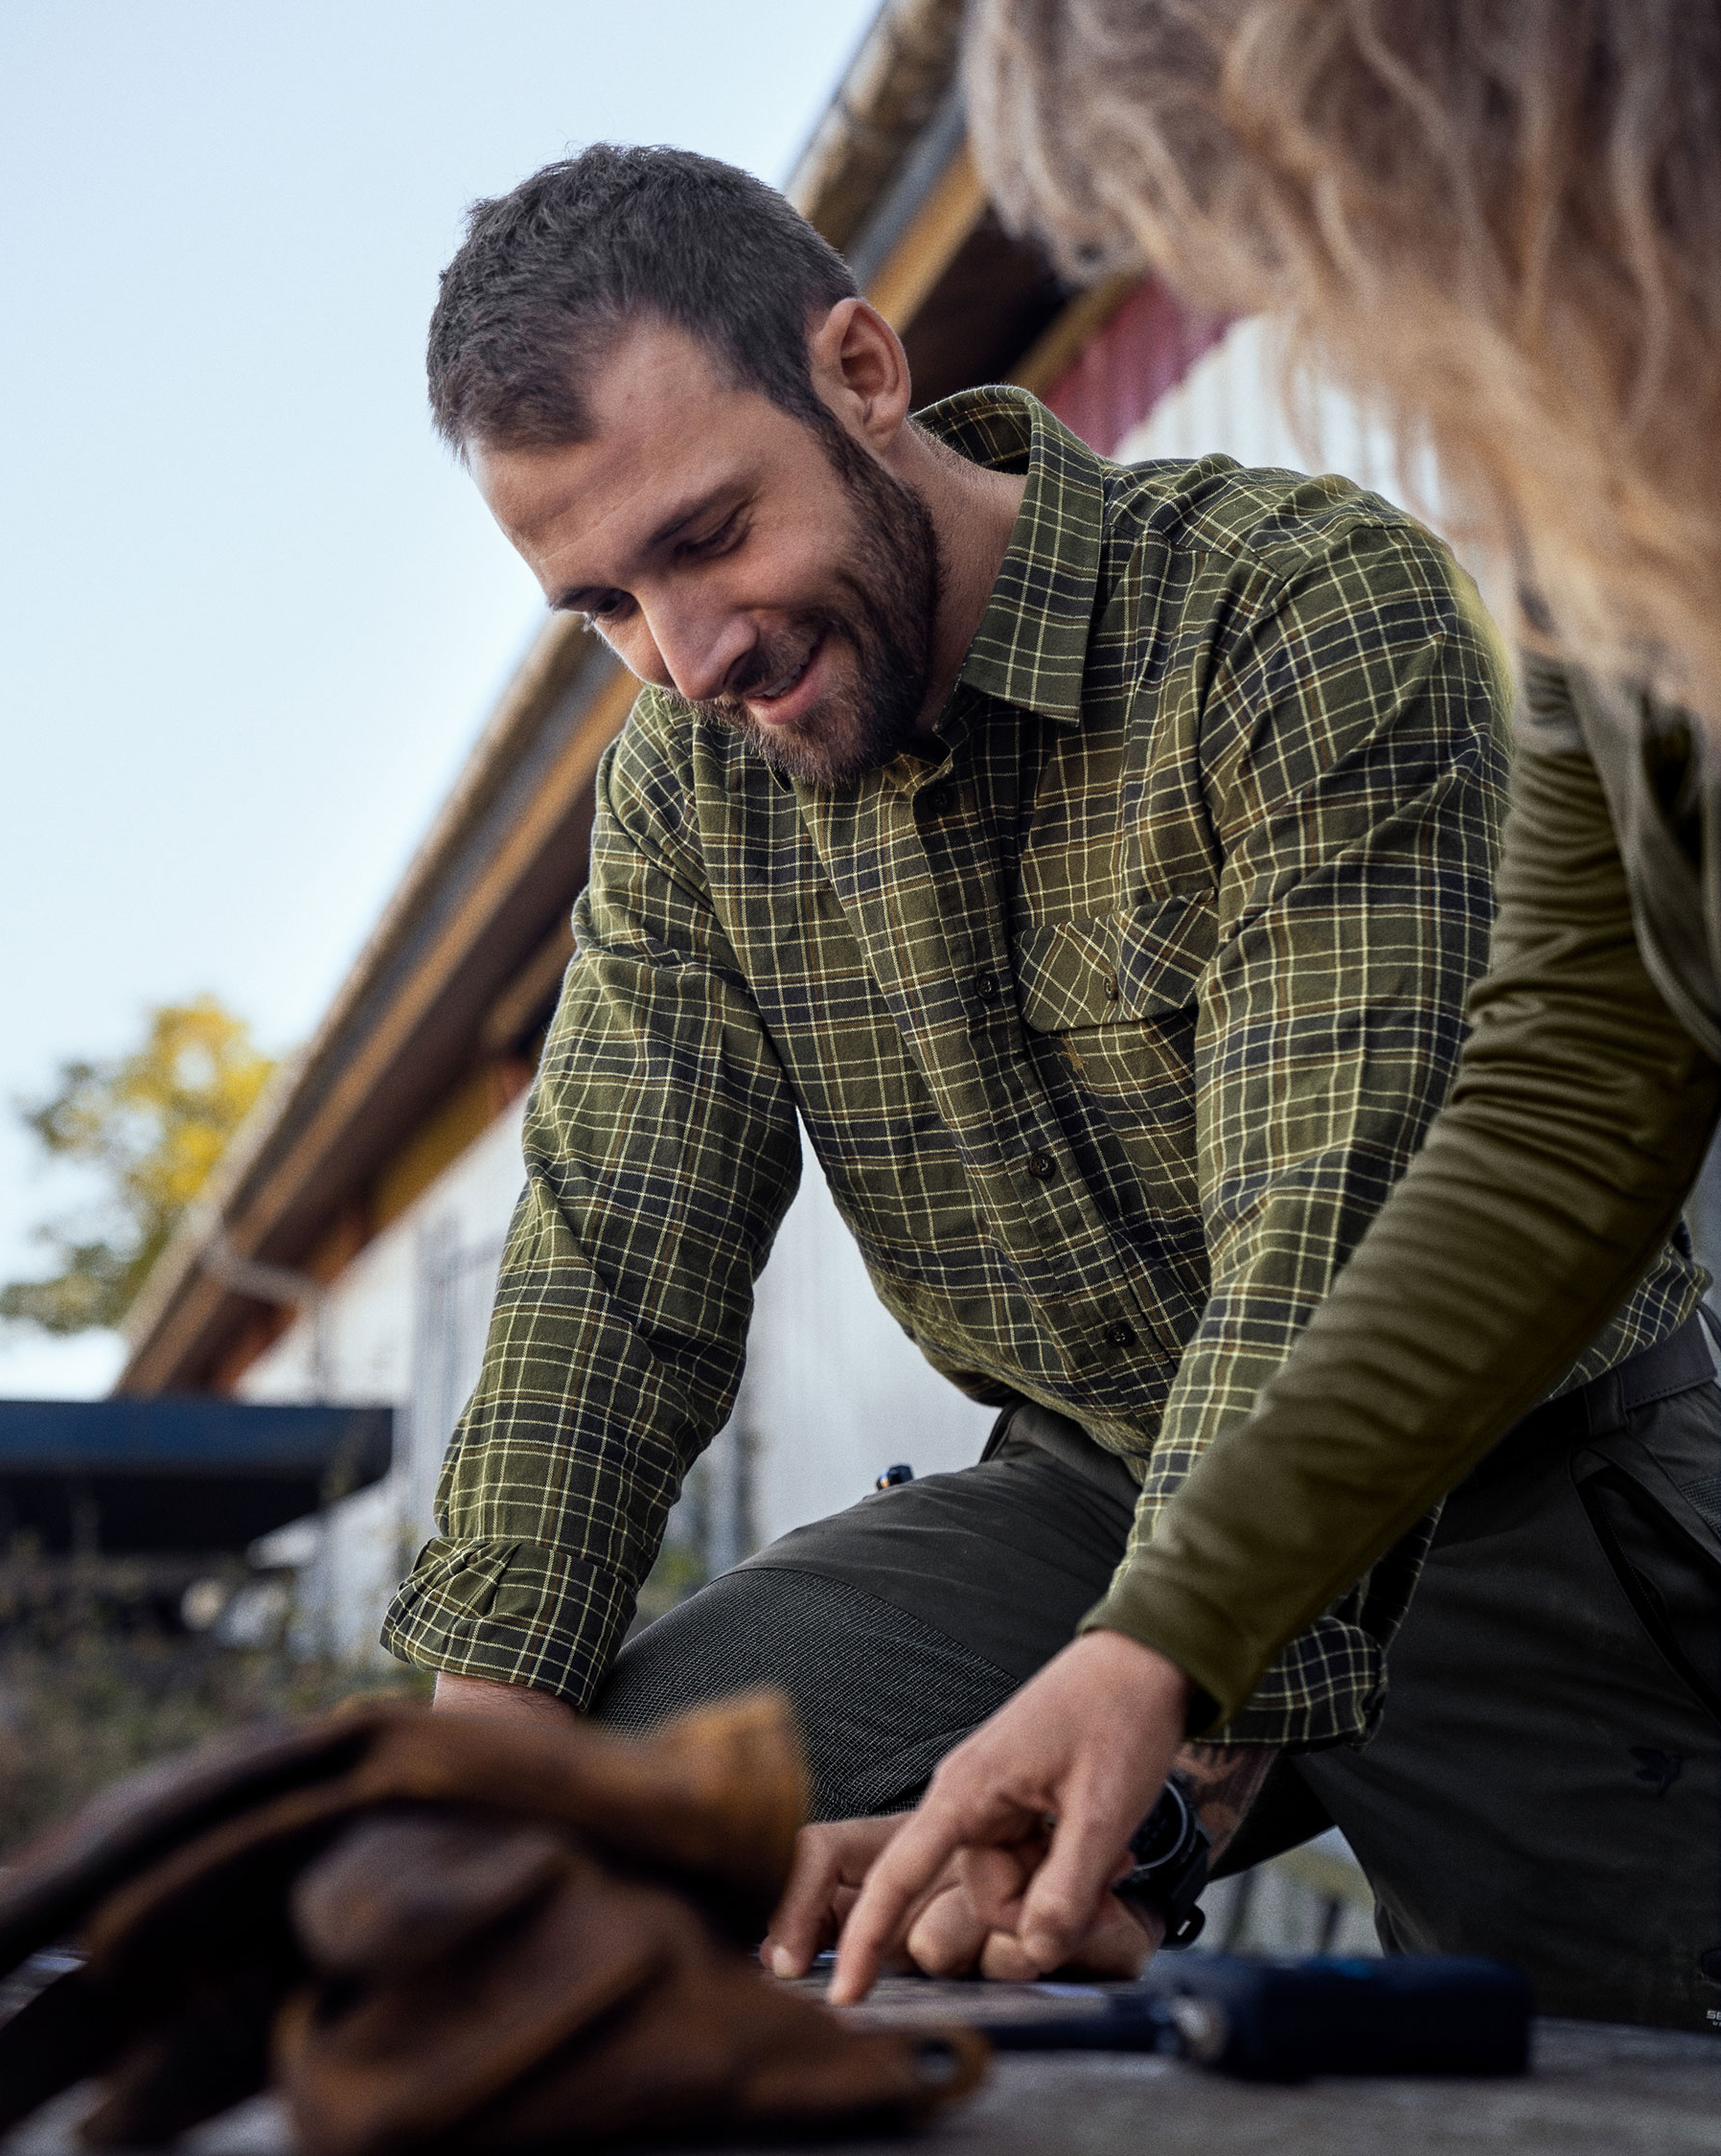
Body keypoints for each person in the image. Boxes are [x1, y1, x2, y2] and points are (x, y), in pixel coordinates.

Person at [381, 143, 1709, 2015]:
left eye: (708, 536)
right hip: (1083, 1487)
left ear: (860, 373)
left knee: (1597, 2078)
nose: (689, 656)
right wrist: (479, 1759)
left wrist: (1154, 1784)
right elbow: (614, 1268)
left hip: (1507, 1491)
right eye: (602, 602)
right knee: (611, 1829)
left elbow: (1326, 1227)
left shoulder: (1292, 611)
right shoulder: (686, 789)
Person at [824, 0, 1721, 2032]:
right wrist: (1156, 1650)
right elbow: (1568, 1093)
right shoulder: (1597, 547)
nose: (1344, 333)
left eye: (1330, 232)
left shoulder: (1304, 604)